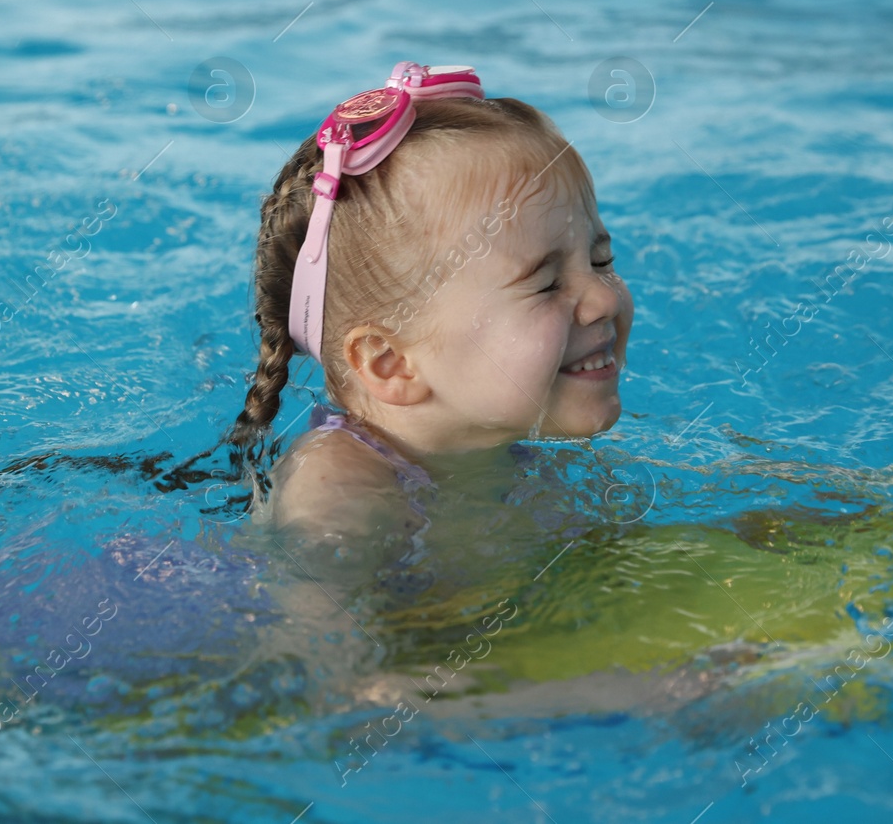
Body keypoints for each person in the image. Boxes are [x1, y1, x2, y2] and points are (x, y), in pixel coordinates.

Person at [222, 61, 633, 580]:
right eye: (547, 283)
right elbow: (318, 653)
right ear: (391, 364)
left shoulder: (499, 451)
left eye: (600, 261)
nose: (603, 298)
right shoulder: (334, 491)